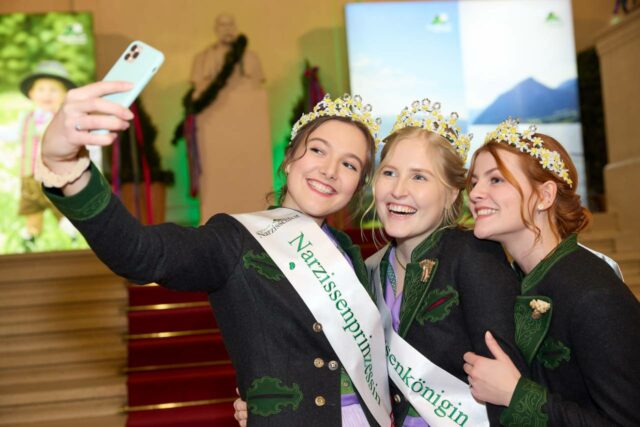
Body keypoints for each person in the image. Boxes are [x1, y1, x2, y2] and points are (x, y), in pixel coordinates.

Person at [39, 85, 392, 426]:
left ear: (357, 186)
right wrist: (67, 168)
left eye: (349, 165)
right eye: (317, 150)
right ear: (288, 160)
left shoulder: (348, 252)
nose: (330, 170)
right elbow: (139, 254)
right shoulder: (235, 239)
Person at [234, 100, 527, 426]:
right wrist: (271, 403)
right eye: (389, 173)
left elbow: (510, 388)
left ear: (452, 194)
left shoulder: (475, 257)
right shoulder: (368, 269)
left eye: (419, 177)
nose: (398, 190)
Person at [463, 118, 640, 426]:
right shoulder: (516, 279)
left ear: (544, 196)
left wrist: (516, 395)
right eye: (474, 181)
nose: (475, 193)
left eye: (495, 180)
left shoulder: (594, 295)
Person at [16, 60, 77, 248]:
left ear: (65, 95)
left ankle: (72, 235)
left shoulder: (65, 119)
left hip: (52, 176)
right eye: (41, 89)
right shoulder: (26, 117)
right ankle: (31, 236)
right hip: (28, 176)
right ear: (31, 93)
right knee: (31, 209)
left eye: (53, 90)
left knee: (60, 208)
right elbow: (19, 139)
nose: (46, 95)